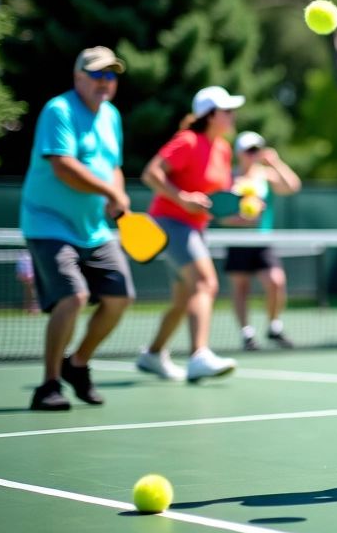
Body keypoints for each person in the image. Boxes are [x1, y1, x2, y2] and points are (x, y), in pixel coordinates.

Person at [19, 47, 136, 410]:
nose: (105, 82)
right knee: (74, 297)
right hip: (48, 222)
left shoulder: (111, 116)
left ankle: (78, 363)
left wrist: (116, 193)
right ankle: (49, 385)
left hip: (95, 227)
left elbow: (112, 164)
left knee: (120, 297)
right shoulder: (59, 110)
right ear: (79, 77)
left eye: (111, 76)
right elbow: (63, 166)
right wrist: (109, 191)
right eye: (98, 75)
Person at [136, 86, 242, 382]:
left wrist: (241, 208)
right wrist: (182, 197)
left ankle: (153, 354)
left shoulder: (222, 148)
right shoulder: (188, 141)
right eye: (228, 111)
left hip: (195, 228)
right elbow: (151, 173)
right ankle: (199, 355)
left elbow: (215, 199)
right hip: (169, 224)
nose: (233, 116)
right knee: (206, 282)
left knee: (183, 300)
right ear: (210, 115)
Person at [222, 130, 302, 351]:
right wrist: (238, 219)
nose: (253, 154)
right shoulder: (228, 177)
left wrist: (276, 162)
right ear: (239, 152)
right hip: (237, 242)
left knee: (276, 281)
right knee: (240, 288)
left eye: (256, 150)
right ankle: (247, 333)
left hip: (262, 241)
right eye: (249, 150)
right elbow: (218, 213)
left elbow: (293, 186)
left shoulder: (266, 174)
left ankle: (274, 327)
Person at [15, 250, 40, 314]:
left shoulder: (30, 257)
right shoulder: (23, 258)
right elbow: (20, 268)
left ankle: (32, 307)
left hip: (30, 277)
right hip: (28, 277)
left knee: (31, 291)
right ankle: (29, 307)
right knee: (29, 291)